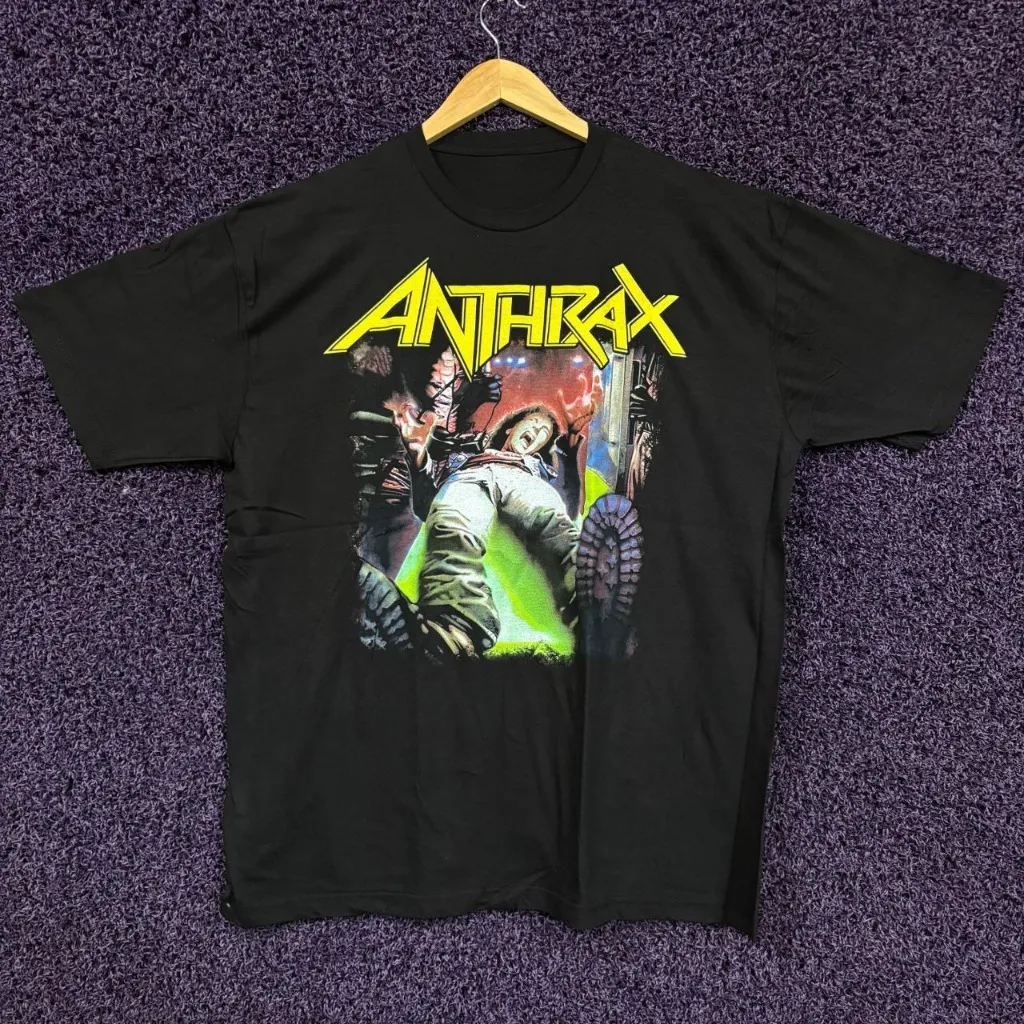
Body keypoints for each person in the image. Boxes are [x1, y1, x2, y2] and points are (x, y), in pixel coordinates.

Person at [391, 376, 602, 658]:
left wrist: (570, 444)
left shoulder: (541, 471)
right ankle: (455, 626)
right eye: (534, 423)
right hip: (471, 477)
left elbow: (571, 507)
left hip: (521, 481)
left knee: (553, 524)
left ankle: (594, 604)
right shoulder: (462, 456)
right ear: (512, 427)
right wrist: (418, 457)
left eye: (544, 433)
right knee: (451, 524)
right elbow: (426, 506)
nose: (538, 430)